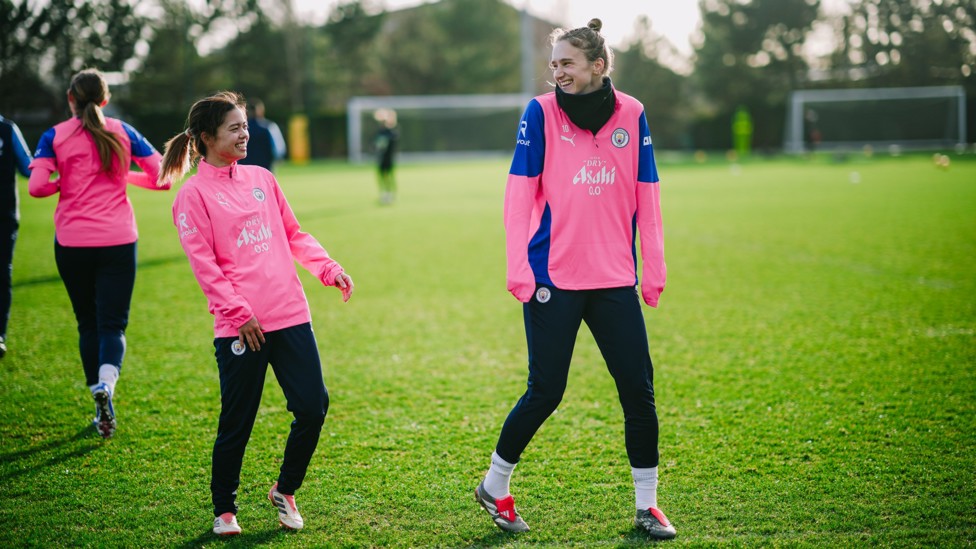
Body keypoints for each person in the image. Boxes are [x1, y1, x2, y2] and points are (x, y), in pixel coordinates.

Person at [473, 19, 677, 540]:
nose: (557, 72)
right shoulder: (540, 113)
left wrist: (653, 265)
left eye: (567, 63)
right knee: (546, 390)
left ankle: (647, 505)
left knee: (639, 390)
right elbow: (519, 194)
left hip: (613, 279)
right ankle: (495, 485)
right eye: (554, 64)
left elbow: (648, 195)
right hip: (553, 276)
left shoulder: (633, 114)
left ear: (597, 66)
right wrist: (517, 263)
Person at [158, 91, 354, 536]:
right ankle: (224, 509)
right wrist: (237, 312)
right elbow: (203, 264)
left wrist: (328, 267)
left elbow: (293, 234)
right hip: (240, 327)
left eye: (245, 125)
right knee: (237, 422)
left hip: (289, 313)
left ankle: (285, 490)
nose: (245, 133)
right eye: (235, 128)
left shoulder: (262, 178)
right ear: (207, 137)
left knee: (313, 406)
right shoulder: (192, 196)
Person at [28, 68, 170, 439]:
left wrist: (65, 182)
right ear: (105, 100)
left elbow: (37, 187)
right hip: (118, 241)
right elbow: (162, 178)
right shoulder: (123, 131)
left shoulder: (54, 136)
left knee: (87, 322)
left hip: (72, 243)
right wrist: (125, 177)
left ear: (70, 99)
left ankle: (98, 396)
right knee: (112, 325)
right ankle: (107, 383)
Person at [0, 114, 33, 358]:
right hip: (5, 214)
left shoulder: (8, 129)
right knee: (2, 274)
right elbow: (29, 169)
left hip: (6, 215)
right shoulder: (7, 129)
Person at [237, 98, 286, 172]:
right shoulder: (269, 126)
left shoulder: (240, 129)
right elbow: (279, 150)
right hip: (265, 169)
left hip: (245, 170)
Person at [373, 108, 398, 205]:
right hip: (381, 159)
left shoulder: (392, 132)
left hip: (389, 158)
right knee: (381, 176)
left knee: (389, 176)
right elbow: (376, 145)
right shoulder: (380, 132)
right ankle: (384, 193)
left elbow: (392, 143)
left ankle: (390, 193)